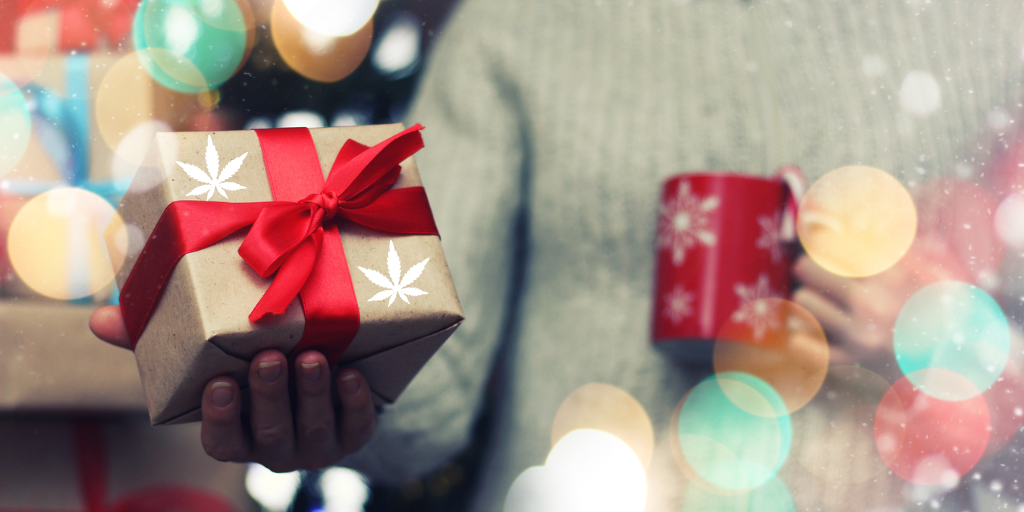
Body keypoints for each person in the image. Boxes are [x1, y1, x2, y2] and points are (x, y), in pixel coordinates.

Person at [91, 0, 1024, 509]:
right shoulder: (524, 25)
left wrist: (954, 342)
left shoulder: (997, 31)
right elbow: (432, 377)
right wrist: (341, 396)